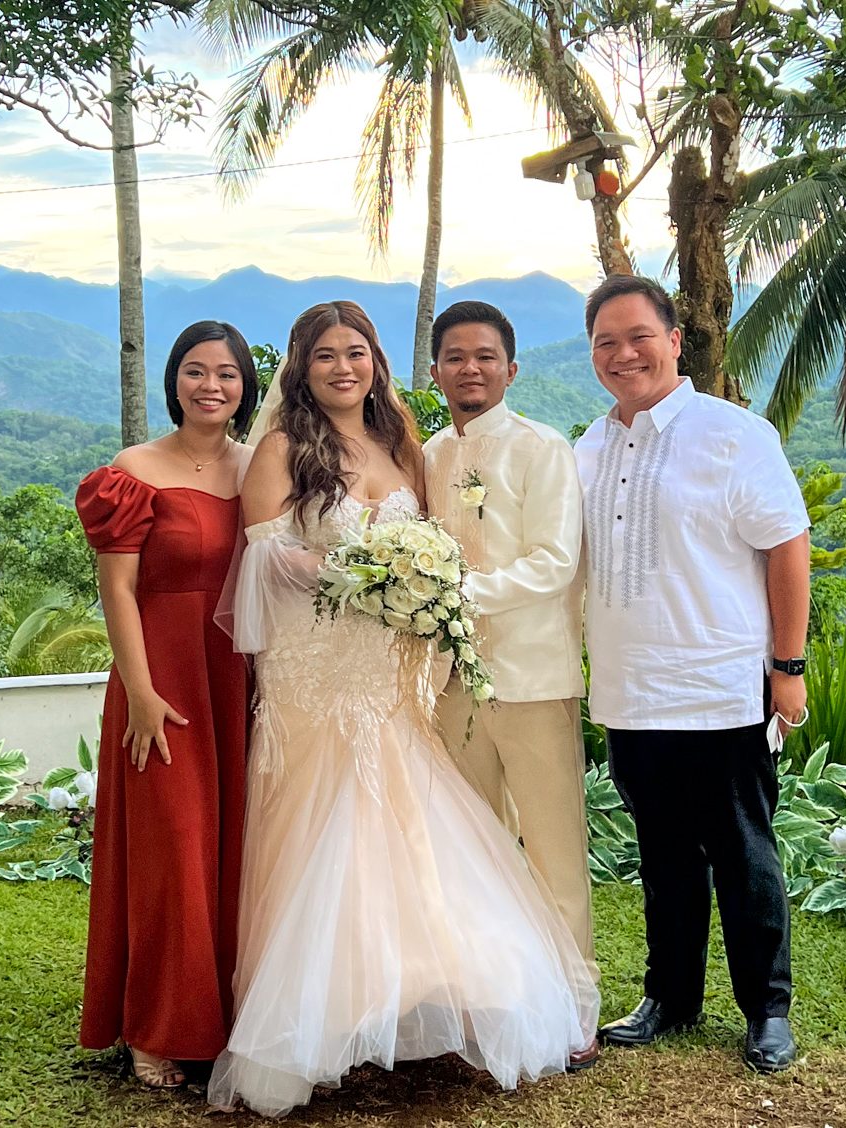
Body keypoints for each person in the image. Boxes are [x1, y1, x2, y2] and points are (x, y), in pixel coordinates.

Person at [209, 300, 599, 1117]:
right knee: (322, 823)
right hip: (316, 668)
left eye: (356, 352)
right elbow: (266, 558)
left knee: (408, 824)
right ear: (302, 368)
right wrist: (367, 578)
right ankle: (315, 1017)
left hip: (389, 669)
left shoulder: (405, 445)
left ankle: (422, 996)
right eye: (325, 355)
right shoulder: (281, 447)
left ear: (377, 363)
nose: (342, 367)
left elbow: (441, 547)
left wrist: (409, 587)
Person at [572, 276, 811, 1074]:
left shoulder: (732, 433)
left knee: (744, 857)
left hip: (720, 690)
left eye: (639, 336)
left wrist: (788, 668)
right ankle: (670, 997)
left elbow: (787, 544)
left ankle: (766, 1010)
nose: (623, 354)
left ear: (675, 342)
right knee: (664, 858)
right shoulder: (588, 448)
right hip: (631, 693)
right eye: (605, 342)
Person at [74, 321, 261, 1089]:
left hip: (238, 680)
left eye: (226, 373)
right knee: (173, 852)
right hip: (161, 682)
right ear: (174, 380)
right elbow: (117, 590)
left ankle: (224, 1018)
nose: (210, 385)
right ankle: (155, 1027)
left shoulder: (260, 469)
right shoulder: (133, 470)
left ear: (246, 386)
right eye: (195, 370)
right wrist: (142, 693)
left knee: (235, 852)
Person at [422, 301, 597, 1001]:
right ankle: (490, 998)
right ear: (435, 371)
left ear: (511, 369)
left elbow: (556, 561)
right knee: (473, 848)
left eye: (485, 357)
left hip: (532, 679)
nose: (471, 368)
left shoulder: (540, 448)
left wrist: (456, 595)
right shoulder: (430, 455)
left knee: (555, 849)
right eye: (456, 357)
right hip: (450, 685)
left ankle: (575, 997)